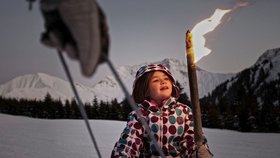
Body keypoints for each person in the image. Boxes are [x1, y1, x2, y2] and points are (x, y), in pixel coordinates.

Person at [111, 64, 212, 158]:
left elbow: (191, 138)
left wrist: (198, 152)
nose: (163, 81)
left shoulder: (184, 112)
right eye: (155, 80)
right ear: (145, 89)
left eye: (166, 78)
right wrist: (122, 154)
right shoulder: (139, 115)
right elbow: (130, 140)